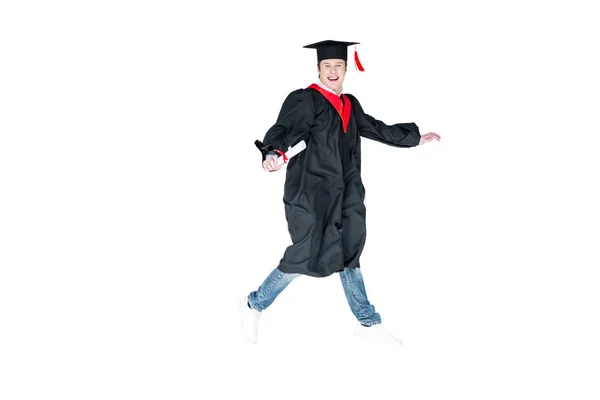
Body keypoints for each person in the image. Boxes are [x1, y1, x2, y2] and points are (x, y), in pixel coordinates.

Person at [240, 40, 441, 345]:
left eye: (338, 66)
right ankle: (254, 304)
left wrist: (413, 138)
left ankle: (367, 321)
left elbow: (376, 128)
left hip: (346, 192)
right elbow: (283, 129)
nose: (333, 71)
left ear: (346, 69)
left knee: (350, 250)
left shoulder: (350, 104)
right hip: (311, 193)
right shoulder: (306, 100)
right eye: (327, 66)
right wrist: (272, 152)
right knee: (305, 254)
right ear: (318, 69)